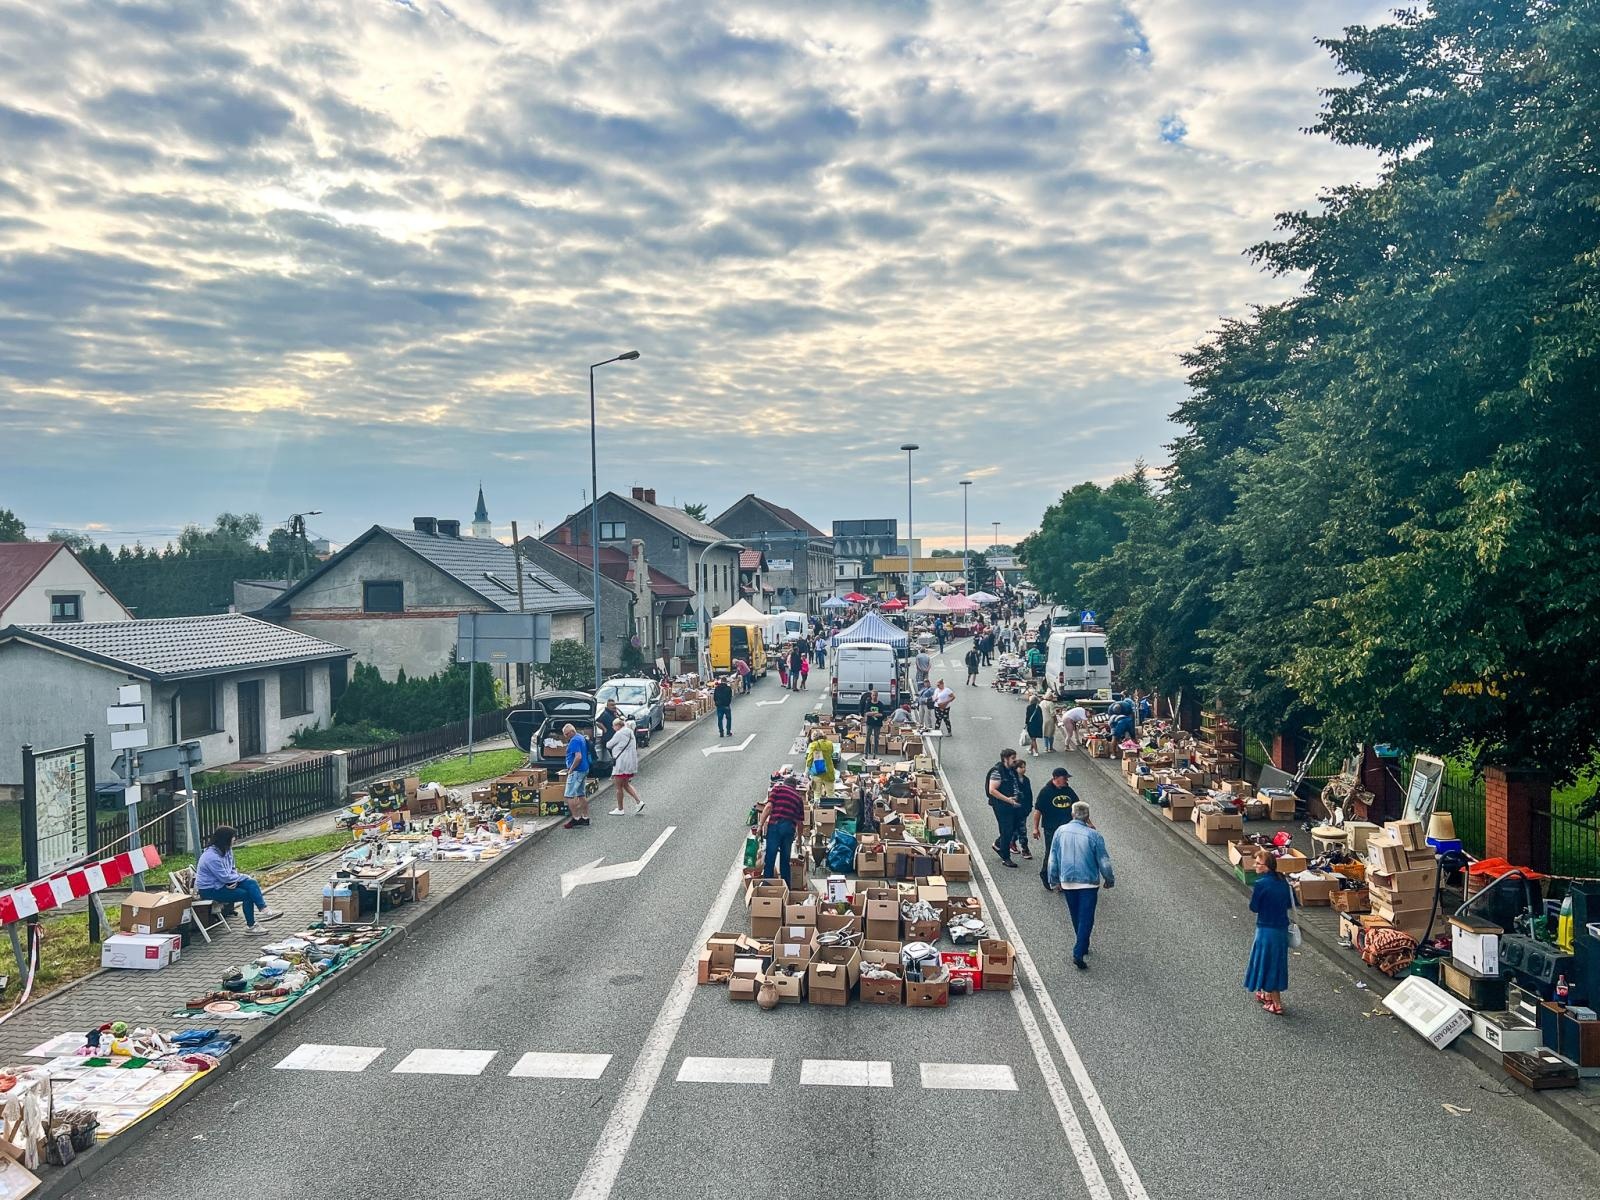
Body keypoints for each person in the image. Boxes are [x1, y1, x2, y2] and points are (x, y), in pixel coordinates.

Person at [1046, 801, 1115, 968]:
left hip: (1068, 880)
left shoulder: (1060, 831)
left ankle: (1082, 942)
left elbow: (1053, 857)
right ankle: (1079, 950)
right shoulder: (1094, 835)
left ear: (1072, 814)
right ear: (1087, 816)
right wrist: (1109, 879)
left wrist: (1053, 880)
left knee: (1076, 915)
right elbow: (1103, 861)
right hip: (1088, 882)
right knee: (1087, 917)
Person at [195, 826, 283, 928]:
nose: (234, 839)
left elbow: (232, 868)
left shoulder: (227, 850)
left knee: (251, 882)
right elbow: (224, 877)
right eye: (233, 837)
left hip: (224, 883)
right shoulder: (211, 857)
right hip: (211, 889)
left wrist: (234, 880)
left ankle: (263, 908)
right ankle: (251, 926)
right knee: (246, 895)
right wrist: (237, 879)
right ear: (226, 839)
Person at [1245, 849, 1294, 1014]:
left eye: (1258, 863)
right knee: (1276, 963)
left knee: (1266, 963)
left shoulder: (1261, 884)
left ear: (1266, 867)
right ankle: (1265, 993)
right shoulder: (1283, 882)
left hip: (1266, 930)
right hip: (1281, 929)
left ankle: (1276, 1003)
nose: (1255, 866)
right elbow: (1290, 903)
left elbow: (1254, 907)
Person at [1032, 767, 1078, 889]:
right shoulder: (1046, 792)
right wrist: (1035, 828)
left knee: (1066, 854)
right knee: (1052, 853)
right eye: (1065, 778)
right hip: (1051, 828)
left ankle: (1061, 879)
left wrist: (1088, 822)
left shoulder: (1068, 790)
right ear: (1056, 778)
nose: (1067, 780)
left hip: (1067, 828)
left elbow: (1077, 807)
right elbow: (1038, 811)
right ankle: (1045, 874)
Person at [759, 773, 806, 881]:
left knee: (770, 857)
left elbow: (768, 807)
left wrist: (760, 825)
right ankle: (786, 889)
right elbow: (800, 823)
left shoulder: (777, 789)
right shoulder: (798, 798)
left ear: (785, 783)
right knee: (785, 861)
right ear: (794, 786)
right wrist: (799, 839)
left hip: (775, 825)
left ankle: (767, 886)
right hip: (789, 828)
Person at [985, 748, 1023, 867]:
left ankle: (998, 844)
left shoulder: (1010, 770)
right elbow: (992, 790)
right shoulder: (997, 771)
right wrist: (1008, 800)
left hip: (1012, 804)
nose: (1015, 760)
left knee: (1013, 827)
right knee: (1006, 830)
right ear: (1005, 759)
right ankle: (1005, 857)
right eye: (1013, 758)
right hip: (1002, 805)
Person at [606, 719, 644, 815]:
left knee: (618, 787)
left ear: (618, 725)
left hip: (621, 764)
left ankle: (620, 809)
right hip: (629, 763)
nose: (613, 728)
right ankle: (639, 802)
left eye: (613, 726)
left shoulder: (619, 734)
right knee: (626, 785)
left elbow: (609, 745)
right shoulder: (630, 732)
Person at [562, 723, 592, 828]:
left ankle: (576, 818)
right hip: (584, 769)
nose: (565, 737)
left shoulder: (574, 740)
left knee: (569, 795)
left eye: (566, 734)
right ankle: (585, 817)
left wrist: (570, 769)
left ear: (571, 732)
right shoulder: (580, 737)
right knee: (581, 794)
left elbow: (578, 757)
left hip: (576, 771)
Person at [805, 727, 836, 804]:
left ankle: (817, 811)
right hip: (828, 771)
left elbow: (810, 758)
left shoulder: (813, 745)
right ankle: (831, 811)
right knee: (830, 793)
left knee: (817, 793)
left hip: (817, 772)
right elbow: (831, 753)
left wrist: (807, 771)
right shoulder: (829, 743)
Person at [1011, 760, 1034, 861]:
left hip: (1023, 808)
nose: (1024, 769)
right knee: (1019, 829)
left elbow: (1029, 794)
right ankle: (1023, 848)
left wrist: (1029, 806)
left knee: (1020, 828)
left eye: (1024, 767)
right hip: (1014, 809)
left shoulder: (1026, 780)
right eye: (1021, 767)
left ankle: (1015, 843)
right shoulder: (1012, 780)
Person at [862, 687, 887, 756]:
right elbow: (867, 713)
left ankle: (875, 753)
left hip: (877, 724)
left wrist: (872, 713)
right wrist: (875, 713)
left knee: (876, 739)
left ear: (877, 696)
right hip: (869, 723)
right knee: (867, 738)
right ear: (871, 695)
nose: (874, 696)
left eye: (875, 695)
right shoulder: (868, 703)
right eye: (873, 695)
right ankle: (866, 753)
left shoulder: (880, 704)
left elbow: (881, 714)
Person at [1024, 692, 1043, 757]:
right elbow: (1041, 717)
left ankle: (1036, 752)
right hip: (1038, 725)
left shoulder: (1029, 707)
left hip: (1031, 724)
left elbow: (1028, 716)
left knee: (1033, 739)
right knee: (1034, 738)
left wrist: (1026, 723)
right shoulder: (1039, 707)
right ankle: (1030, 749)